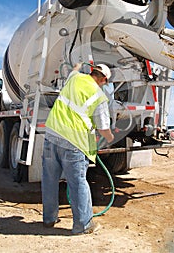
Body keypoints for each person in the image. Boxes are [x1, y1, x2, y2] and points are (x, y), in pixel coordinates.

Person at [42, 62, 115, 234]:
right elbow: (104, 129)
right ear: (104, 80)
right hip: (74, 143)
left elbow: (73, 70)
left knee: (49, 180)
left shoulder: (74, 78)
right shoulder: (99, 97)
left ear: (91, 71)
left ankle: (49, 219)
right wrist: (111, 138)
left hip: (51, 135)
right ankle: (83, 225)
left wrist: (77, 65)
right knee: (77, 183)